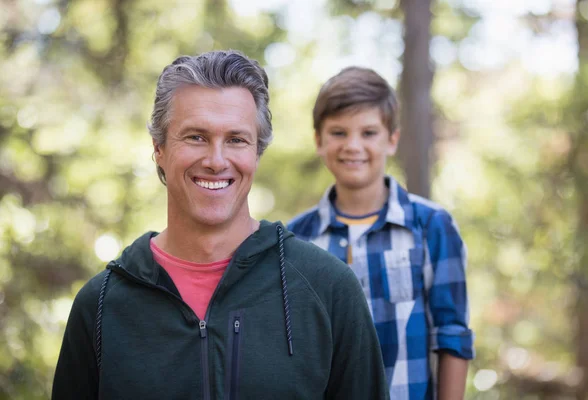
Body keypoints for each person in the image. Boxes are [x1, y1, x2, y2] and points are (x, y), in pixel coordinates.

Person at [52, 51, 389, 400]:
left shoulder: (328, 289)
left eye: (236, 139)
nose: (216, 160)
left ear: (257, 152)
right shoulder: (101, 305)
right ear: (159, 150)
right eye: (196, 137)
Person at [288, 67, 474, 400]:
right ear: (318, 140)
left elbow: (452, 336)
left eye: (369, 132)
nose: (353, 146)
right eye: (339, 132)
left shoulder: (432, 226)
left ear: (391, 139)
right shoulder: (296, 239)